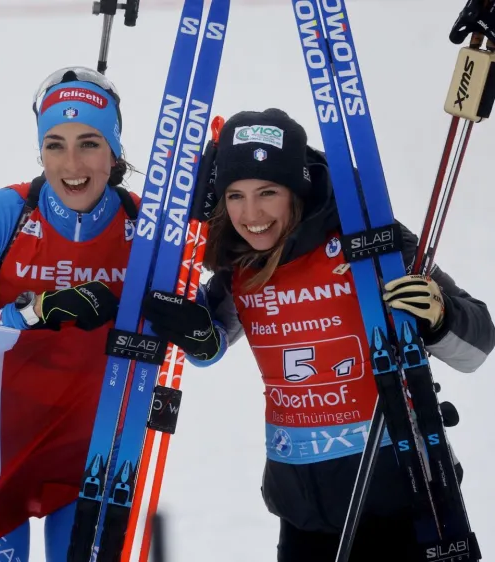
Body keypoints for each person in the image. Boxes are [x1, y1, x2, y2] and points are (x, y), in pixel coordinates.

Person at [141, 108, 495, 561]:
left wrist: (440, 318)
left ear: (297, 189)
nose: (252, 214)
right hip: (304, 510)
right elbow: (212, 342)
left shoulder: (365, 239)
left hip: (405, 496)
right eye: (236, 195)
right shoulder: (239, 263)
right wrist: (193, 332)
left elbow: (477, 347)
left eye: (268, 192)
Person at [0, 66, 151, 561]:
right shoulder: (3, 214)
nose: (71, 163)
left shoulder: (144, 225)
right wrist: (32, 313)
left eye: (90, 143)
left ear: (115, 150)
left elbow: (194, 333)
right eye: (54, 144)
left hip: (93, 459)